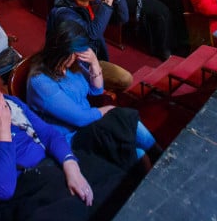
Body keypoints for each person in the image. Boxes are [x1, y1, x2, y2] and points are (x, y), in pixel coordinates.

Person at [0, 68, 124, 221]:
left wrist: (71, 166)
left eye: (0, 99)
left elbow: (49, 135)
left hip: (50, 166)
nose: (1, 108)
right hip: (25, 190)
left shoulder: (10, 103)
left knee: (114, 180)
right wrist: (3, 134)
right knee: (76, 209)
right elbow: (3, 190)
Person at [27, 20, 157, 165]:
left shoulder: (70, 64)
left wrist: (94, 64)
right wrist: (108, 110)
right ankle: (158, 155)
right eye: (76, 52)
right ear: (62, 51)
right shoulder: (41, 82)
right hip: (72, 138)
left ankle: (158, 153)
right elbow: (80, 118)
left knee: (128, 125)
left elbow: (96, 90)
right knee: (133, 142)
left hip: (89, 123)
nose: (79, 55)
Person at [48, 0, 132, 92]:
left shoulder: (89, 1)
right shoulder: (64, 14)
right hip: (74, 64)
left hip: (93, 56)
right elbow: (92, 34)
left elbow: (123, 18)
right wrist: (108, 0)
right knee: (125, 79)